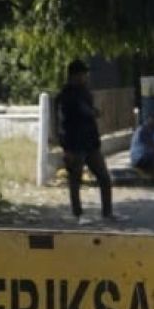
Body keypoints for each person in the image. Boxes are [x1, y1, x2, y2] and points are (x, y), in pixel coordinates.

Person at [55, 59, 113, 224]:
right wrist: (66, 148)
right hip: (74, 144)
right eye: (82, 74)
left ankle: (107, 213)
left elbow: (89, 112)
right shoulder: (66, 96)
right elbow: (62, 123)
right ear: (74, 75)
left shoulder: (84, 92)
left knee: (104, 177)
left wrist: (94, 112)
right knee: (75, 179)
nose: (85, 77)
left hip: (90, 143)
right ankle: (77, 214)